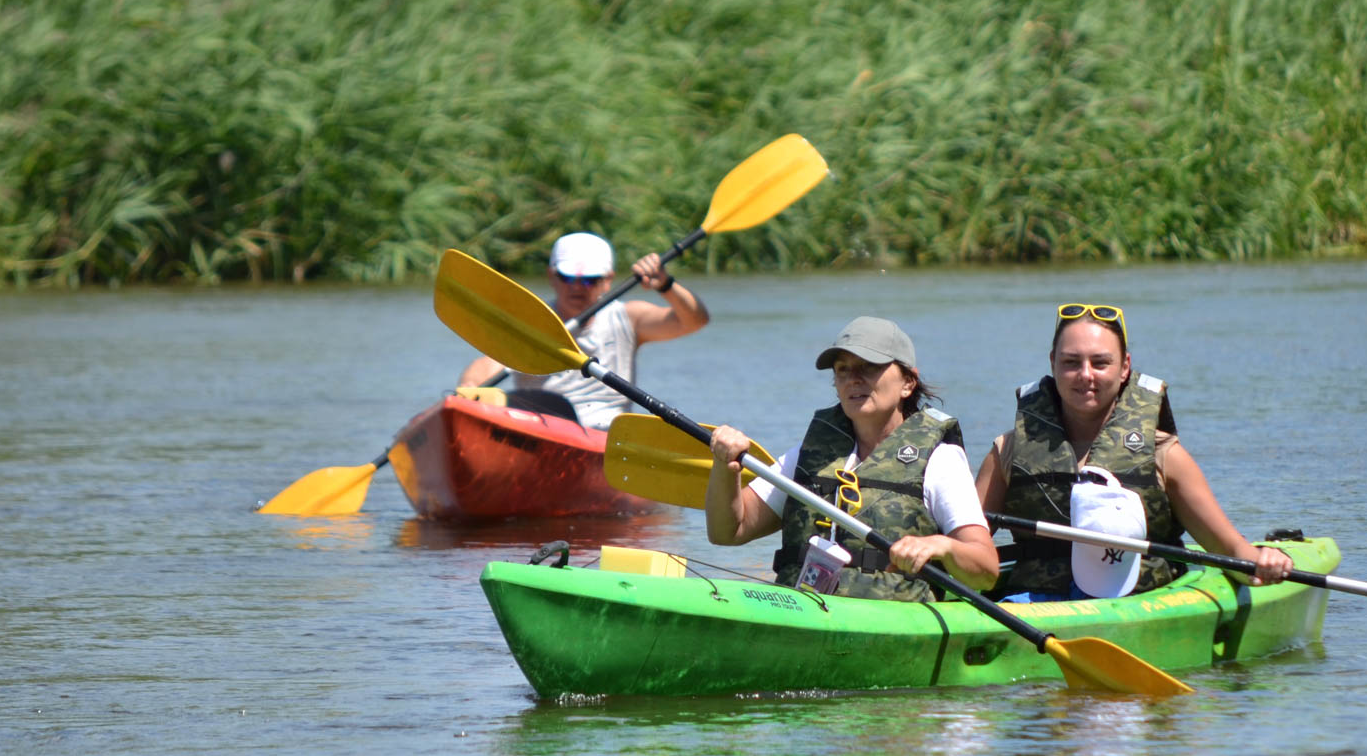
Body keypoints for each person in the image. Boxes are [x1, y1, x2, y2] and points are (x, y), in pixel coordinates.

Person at [973, 302, 1293, 601]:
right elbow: (968, 543)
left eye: (1100, 362)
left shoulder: (1163, 453)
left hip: (1139, 599)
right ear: (1052, 363)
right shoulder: (1008, 451)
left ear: (1125, 367)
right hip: (1038, 604)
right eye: (1071, 362)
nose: (1086, 374)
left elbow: (1227, 547)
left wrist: (1263, 561)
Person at [704, 317, 1000, 601]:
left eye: (869, 367)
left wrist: (943, 546)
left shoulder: (940, 460)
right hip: (802, 608)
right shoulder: (811, 454)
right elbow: (728, 531)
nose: (853, 380)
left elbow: (986, 571)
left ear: (908, 383)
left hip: (889, 620)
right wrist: (725, 466)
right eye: (842, 370)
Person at [457, 231, 709, 430]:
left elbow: (694, 321)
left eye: (589, 279)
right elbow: (489, 363)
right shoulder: (531, 320)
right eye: (567, 277)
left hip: (603, 434)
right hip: (537, 426)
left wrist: (665, 284)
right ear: (551, 276)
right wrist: (470, 386)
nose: (577, 287)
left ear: (608, 279)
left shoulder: (628, 318)